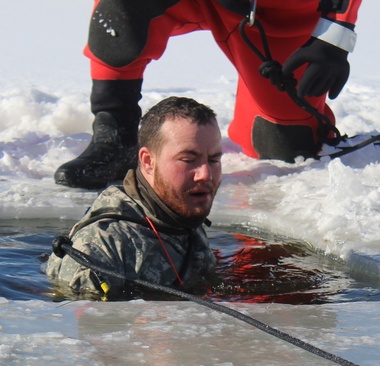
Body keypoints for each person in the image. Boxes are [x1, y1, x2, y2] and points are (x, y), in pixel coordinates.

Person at [55, 0, 362, 190]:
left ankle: (260, 109)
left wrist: (335, 32)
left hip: (280, 12)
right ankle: (113, 132)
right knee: (121, 9)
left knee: (285, 144)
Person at [46, 96, 222, 297]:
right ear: (148, 161)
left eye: (214, 160)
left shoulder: (180, 211)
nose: (206, 174)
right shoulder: (102, 250)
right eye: (188, 160)